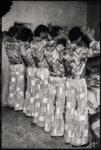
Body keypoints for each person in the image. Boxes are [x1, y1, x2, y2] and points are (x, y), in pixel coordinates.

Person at [63, 26, 100, 146]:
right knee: (81, 111)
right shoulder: (81, 51)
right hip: (79, 83)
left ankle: (68, 137)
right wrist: (89, 36)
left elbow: (69, 43)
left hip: (68, 81)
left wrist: (66, 37)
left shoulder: (65, 50)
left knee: (69, 108)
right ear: (79, 39)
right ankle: (79, 141)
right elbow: (98, 49)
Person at [44, 38, 67, 136]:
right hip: (60, 79)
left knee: (50, 103)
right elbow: (67, 66)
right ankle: (57, 130)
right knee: (59, 105)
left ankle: (47, 126)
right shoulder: (63, 51)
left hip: (51, 78)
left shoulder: (48, 50)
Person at [31, 24, 51, 127]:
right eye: (46, 32)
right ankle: (43, 121)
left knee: (37, 95)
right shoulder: (45, 43)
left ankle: (35, 118)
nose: (47, 34)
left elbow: (34, 58)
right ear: (42, 33)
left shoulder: (33, 43)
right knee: (45, 97)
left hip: (37, 71)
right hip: (45, 71)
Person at [6, 26, 25, 110]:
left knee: (12, 84)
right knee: (19, 85)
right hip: (19, 65)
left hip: (11, 65)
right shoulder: (20, 42)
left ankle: (11, 103)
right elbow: (24, 54)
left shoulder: (6, 42)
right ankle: (19, 105)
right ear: (16, 33)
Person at [20, 27, 36, 116]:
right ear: (29, 36)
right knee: (33, 90)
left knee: (29, 89)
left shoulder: (22, 46)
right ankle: (32, 111)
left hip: (28, 68)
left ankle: (27, 109)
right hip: (33, 69)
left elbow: (24, 58)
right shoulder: (30, 46)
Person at [2, 31, 10, 106]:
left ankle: (3, 100)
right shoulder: (4, 46)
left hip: (4, 67)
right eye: (7, 37)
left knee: (4, 84)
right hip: (5, 67)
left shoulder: (5, 45)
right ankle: (4, 101)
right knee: (6, 83)